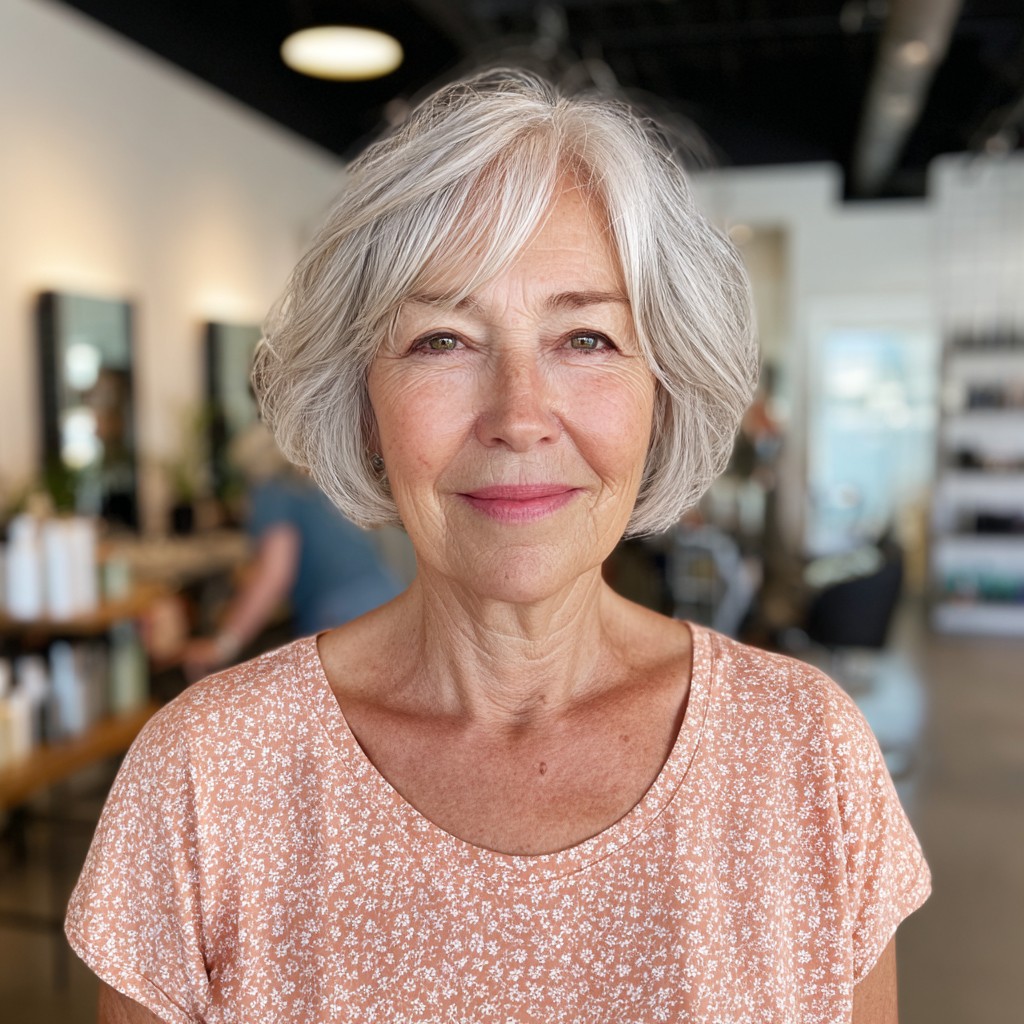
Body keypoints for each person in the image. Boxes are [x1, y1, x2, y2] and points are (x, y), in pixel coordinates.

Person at [66, 69, 929, 1024]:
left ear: (665, 389)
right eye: (442, 339)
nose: (519, 416)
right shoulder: (209, 776)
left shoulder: (806, 757)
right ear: (363, 409)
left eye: (587, 339)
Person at [181, 423, 402, 678]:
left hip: (340, 620)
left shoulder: (273, 489)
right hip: (387, 599)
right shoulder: (318, 484)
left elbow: (274, 574)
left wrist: (222, 645)